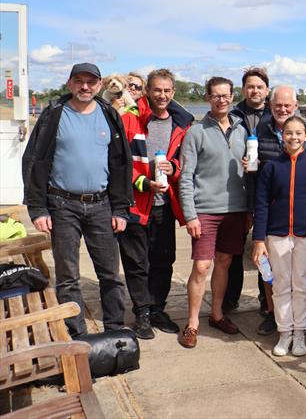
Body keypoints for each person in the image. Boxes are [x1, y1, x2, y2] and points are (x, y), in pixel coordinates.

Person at [22, 63, 132, 337]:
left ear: (99, 85)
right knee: (68, 276)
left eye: (91, 82)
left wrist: (121, 208)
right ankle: (76, 335)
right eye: (79, 81)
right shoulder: (54, 115)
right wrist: (37, 208)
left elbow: (121, 164)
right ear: (70, 84)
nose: (85, 87)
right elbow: (33, 161)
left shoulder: (108, 114)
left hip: (102, 205)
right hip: (62, 206)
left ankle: (115, 332)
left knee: (110, 275)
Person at [117, 68, 194, 339]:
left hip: (164, 204)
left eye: (167, 90)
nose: (162, 95)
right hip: (135, 203)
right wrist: (143, 182)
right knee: (137, 261)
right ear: (148, 91)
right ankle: (142, 313)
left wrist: (173, 168)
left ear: (173, 93)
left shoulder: (181, 124)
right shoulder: (129, 120)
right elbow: (118, 164)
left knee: (164, 259)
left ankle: (158, 308)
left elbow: (184, 161)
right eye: (157, 90)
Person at [177, 77, 249, 348]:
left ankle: (217, 314)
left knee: (224, 262)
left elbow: (249, 173)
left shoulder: (242, 130)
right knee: (201, 266)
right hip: (205, 209)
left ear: (232, 97)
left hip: (235, 209)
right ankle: (192, 323)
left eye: (226, 95)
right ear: (208, 97)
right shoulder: (196, 132)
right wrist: (190, 215)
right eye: (216, 95)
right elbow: (186, 177)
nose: (222, 100)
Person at [251, 116, 306, 356]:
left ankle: (300, 332)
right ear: (281, 136)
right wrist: (258, 240)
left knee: (303, 285)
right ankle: (284, 331)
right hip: (277, 235)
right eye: (289, 133)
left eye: (298, 133)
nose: (293, 137)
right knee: (281, 284)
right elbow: (262, 203)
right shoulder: (272, 167)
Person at [223, 67, 276, 334]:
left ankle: (266, 304)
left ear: (267, 90)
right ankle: (229, 298)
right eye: (250, 86)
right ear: (243, 89)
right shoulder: (232, 115)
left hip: (265, 192)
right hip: (237, 191)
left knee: (263, 249)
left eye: (259, 87)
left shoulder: (276, 113)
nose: (255, 91)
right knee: (233, 249)